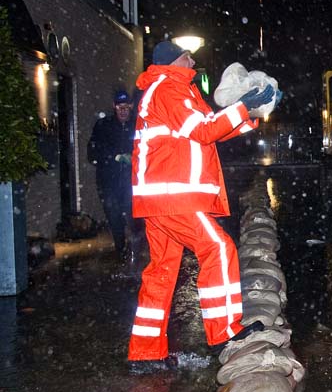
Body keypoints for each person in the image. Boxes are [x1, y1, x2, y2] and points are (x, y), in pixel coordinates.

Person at [127, 41, 277, 371]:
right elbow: (203, 131)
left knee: (161, 272)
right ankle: (224, 331)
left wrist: (248, 113)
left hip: (161, 196)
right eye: (187, 55)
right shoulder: (169, 88)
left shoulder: (174, 89)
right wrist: (243, 107)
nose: (193, 59)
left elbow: (212, 128)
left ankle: (145, 353)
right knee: (219, 249)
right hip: (173, 196)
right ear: (172, 61)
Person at [88, 89, 136, 260]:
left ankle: (135, 251)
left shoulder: (138, 125)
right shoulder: (103, 126)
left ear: (131, 106)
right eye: (119, 106)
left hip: (132, 181)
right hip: (109, 182)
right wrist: (115, 156)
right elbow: (92, 153)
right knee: (114, 215)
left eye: (126, 106)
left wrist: (135, 158)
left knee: (134, 216)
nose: (123, 110)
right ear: (113, 106)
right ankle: (121, 250)